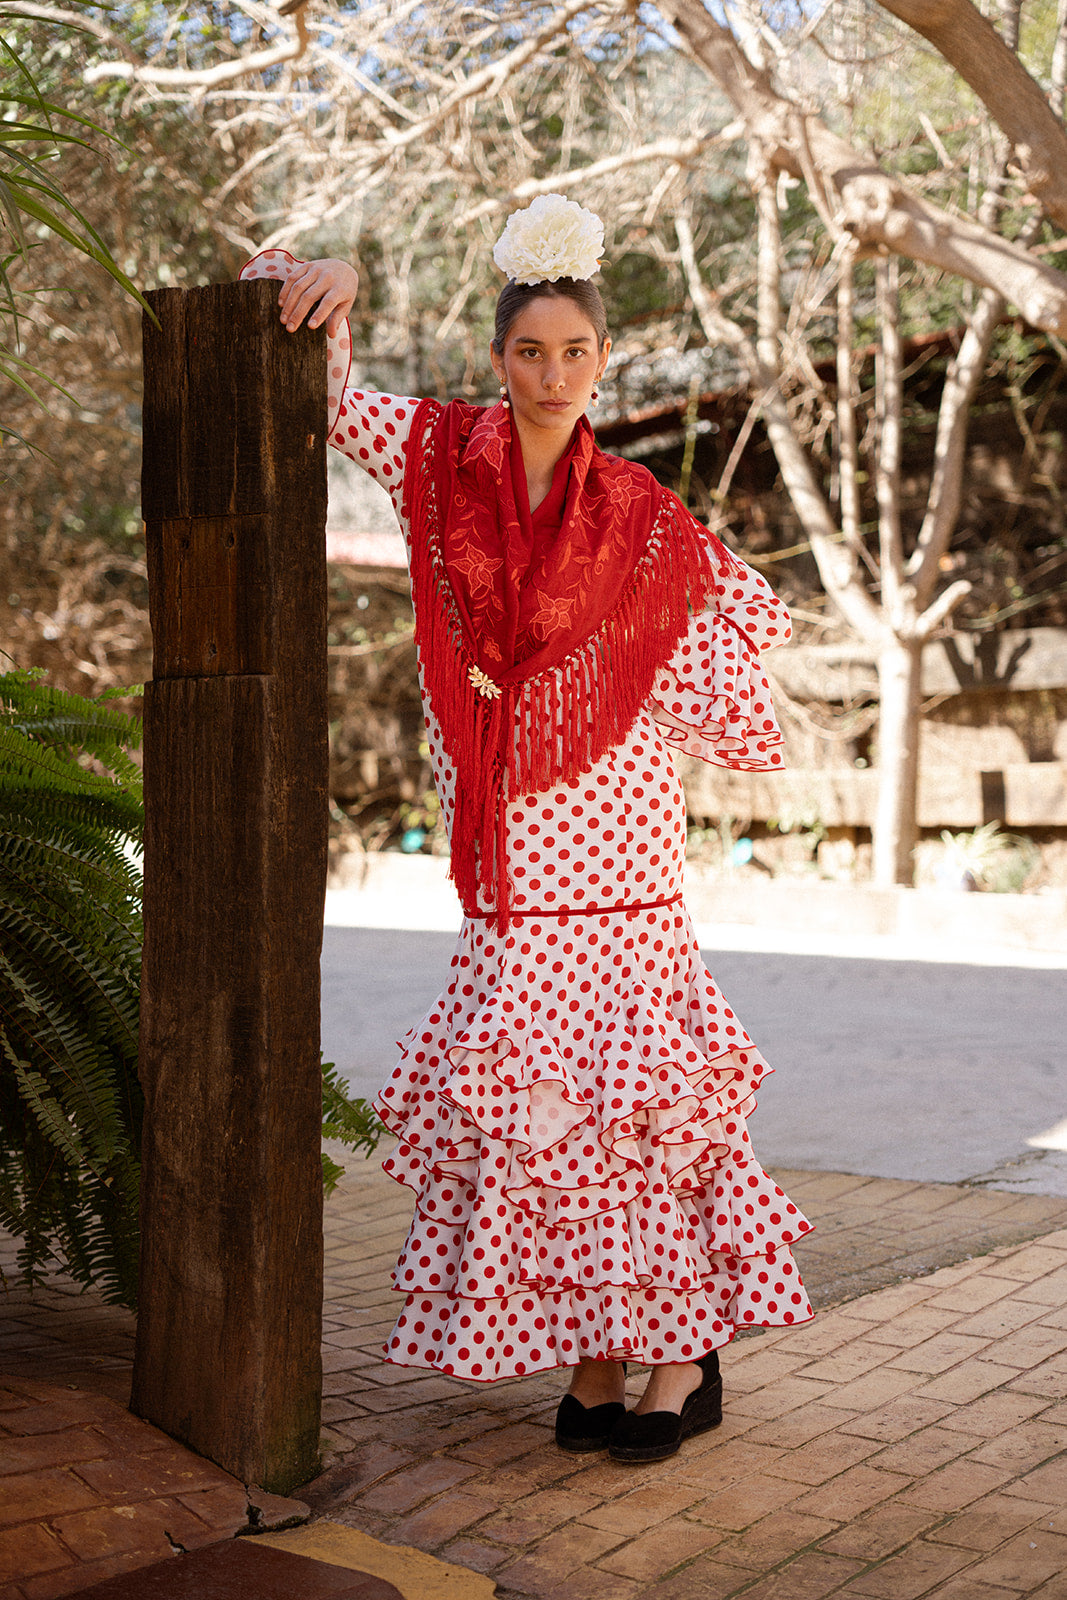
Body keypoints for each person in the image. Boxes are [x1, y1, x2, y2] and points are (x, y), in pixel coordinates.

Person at [243, 195, 812, 1464]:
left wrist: (634, 668)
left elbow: (748, 612)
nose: (550, 375)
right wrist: (324, 272)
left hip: (619, 838)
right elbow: (329, 398)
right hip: (506, 843)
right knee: (543, 1115)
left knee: (635, 1112)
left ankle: (672, 1360)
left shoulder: (640, 506)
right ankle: (598, 1358)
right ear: (497, 360)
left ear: (601, 361)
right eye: (527, 353)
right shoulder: (437, 455)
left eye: (573, 354)